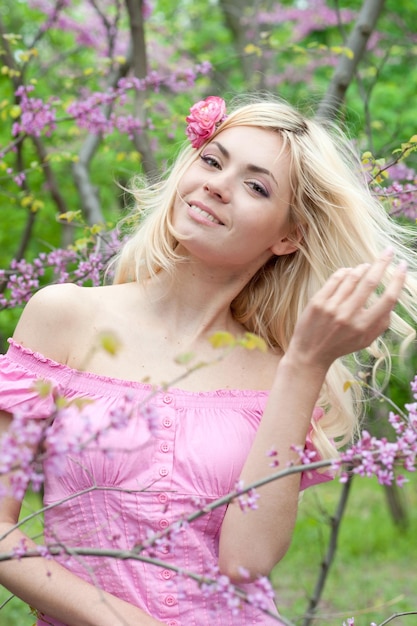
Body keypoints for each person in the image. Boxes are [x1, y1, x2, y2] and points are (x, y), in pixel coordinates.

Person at [0, 93, 416, 626]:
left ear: (289, 236)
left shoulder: (279, 373)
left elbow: (246, 563)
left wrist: (306, 366)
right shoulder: (66, 316)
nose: (218, 185)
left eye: (256, 185)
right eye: (213, 160)